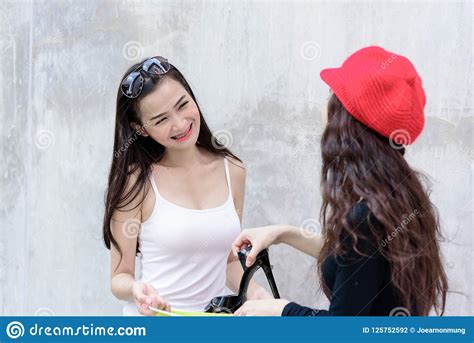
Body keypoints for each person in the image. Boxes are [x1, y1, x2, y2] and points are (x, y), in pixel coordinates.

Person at [232, 46, 448, 316]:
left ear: (347, 120)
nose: (326, 105)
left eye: (334, 96)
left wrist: (280, 310)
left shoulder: (366, 216)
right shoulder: (400, 194)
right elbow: (356, 262)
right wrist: (284, 234)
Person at [102, 56, 271, 316]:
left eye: (183, 105)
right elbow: (120, 276)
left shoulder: (233, 170)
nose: (180, 124)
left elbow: (226, 260)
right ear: (141, 129)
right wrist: (137, 289)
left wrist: (256, 292)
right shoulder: (135, 182)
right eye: (161, 120)